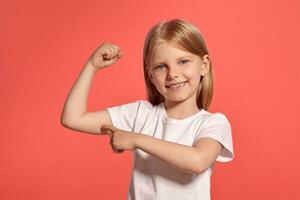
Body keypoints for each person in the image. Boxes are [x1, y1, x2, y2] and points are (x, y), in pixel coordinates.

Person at [61, 18, 234, 200]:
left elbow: (198, 161)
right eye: (161, 66)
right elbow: (72, 118)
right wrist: (91, 66)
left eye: (183, 61)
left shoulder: (213, 123)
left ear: (204, 65)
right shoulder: (140, 114)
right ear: (150, 75)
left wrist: (136, 139)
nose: (172, 74)